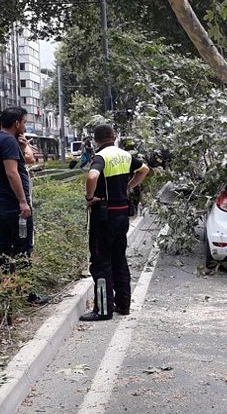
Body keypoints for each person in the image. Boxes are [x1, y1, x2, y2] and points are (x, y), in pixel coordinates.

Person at [81, 124, 149, 321]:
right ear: (114, 136)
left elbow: (92, 175)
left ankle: (103, 310)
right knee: (119, 259)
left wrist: (89, 197)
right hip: (122, 214)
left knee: (101, 262)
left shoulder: (101, 157)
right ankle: (123, 304)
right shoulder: (125, 155)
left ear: (96, 140)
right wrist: (128, 187)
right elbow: (144, 170)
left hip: (103, 216)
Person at [0, 107, 36, 274]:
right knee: (23, 246)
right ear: (17, 123)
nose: (25, 126)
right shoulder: (8, 141)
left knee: (3, 246)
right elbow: (11, 172)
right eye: (24, 122)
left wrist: (21, 149)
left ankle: (1, 283)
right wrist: (22, 201)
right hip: (14, 205)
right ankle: (26, 293)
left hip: (0, 203)